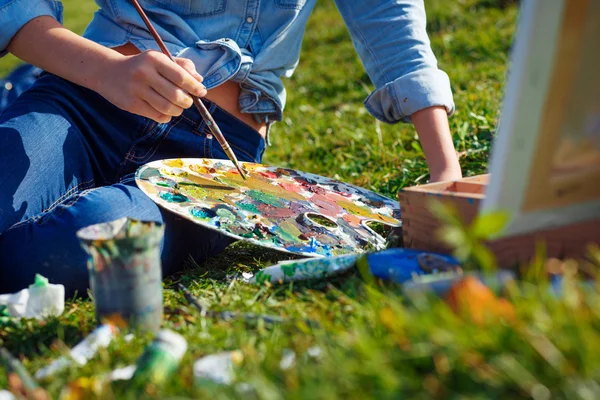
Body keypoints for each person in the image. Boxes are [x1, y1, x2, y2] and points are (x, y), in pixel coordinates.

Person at [0, 0, 461, 296]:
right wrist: (105, 72)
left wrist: (446, 178)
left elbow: (389, 18)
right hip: (86, 92)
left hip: (213, 156)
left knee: (65, 251)